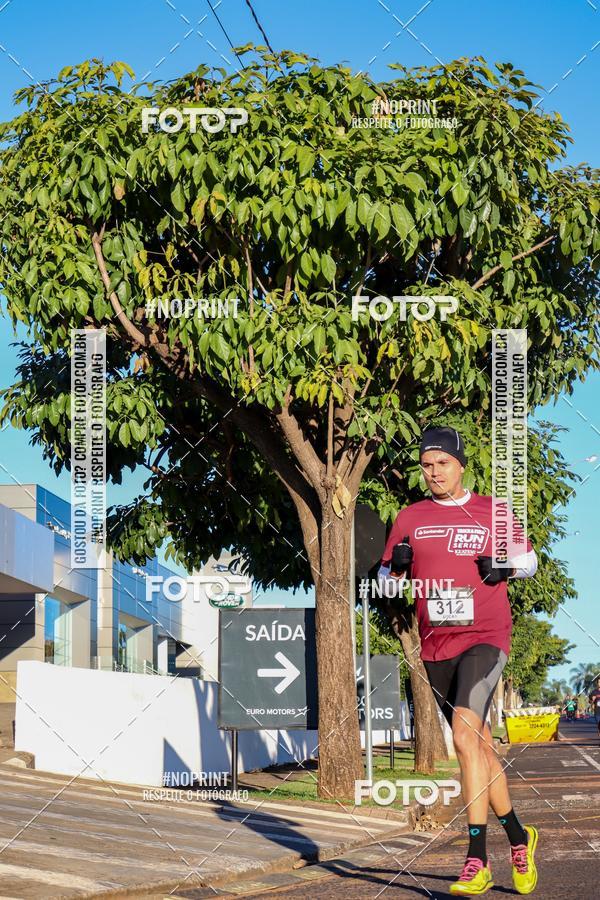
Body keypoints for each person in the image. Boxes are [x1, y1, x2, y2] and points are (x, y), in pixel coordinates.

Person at [379, 425, 539, 896]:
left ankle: (476, 858)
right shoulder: (409, 516)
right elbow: (387, 581)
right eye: (427, 466)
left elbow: (529, 560)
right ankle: (519, 838)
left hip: (486, 637)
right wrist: (396, 567)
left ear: (460, 464)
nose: (434, 473)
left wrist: (505, 566)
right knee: (479, 749)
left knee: (465, 738)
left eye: (442, 464)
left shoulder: (493, 510)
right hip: (435, 645)